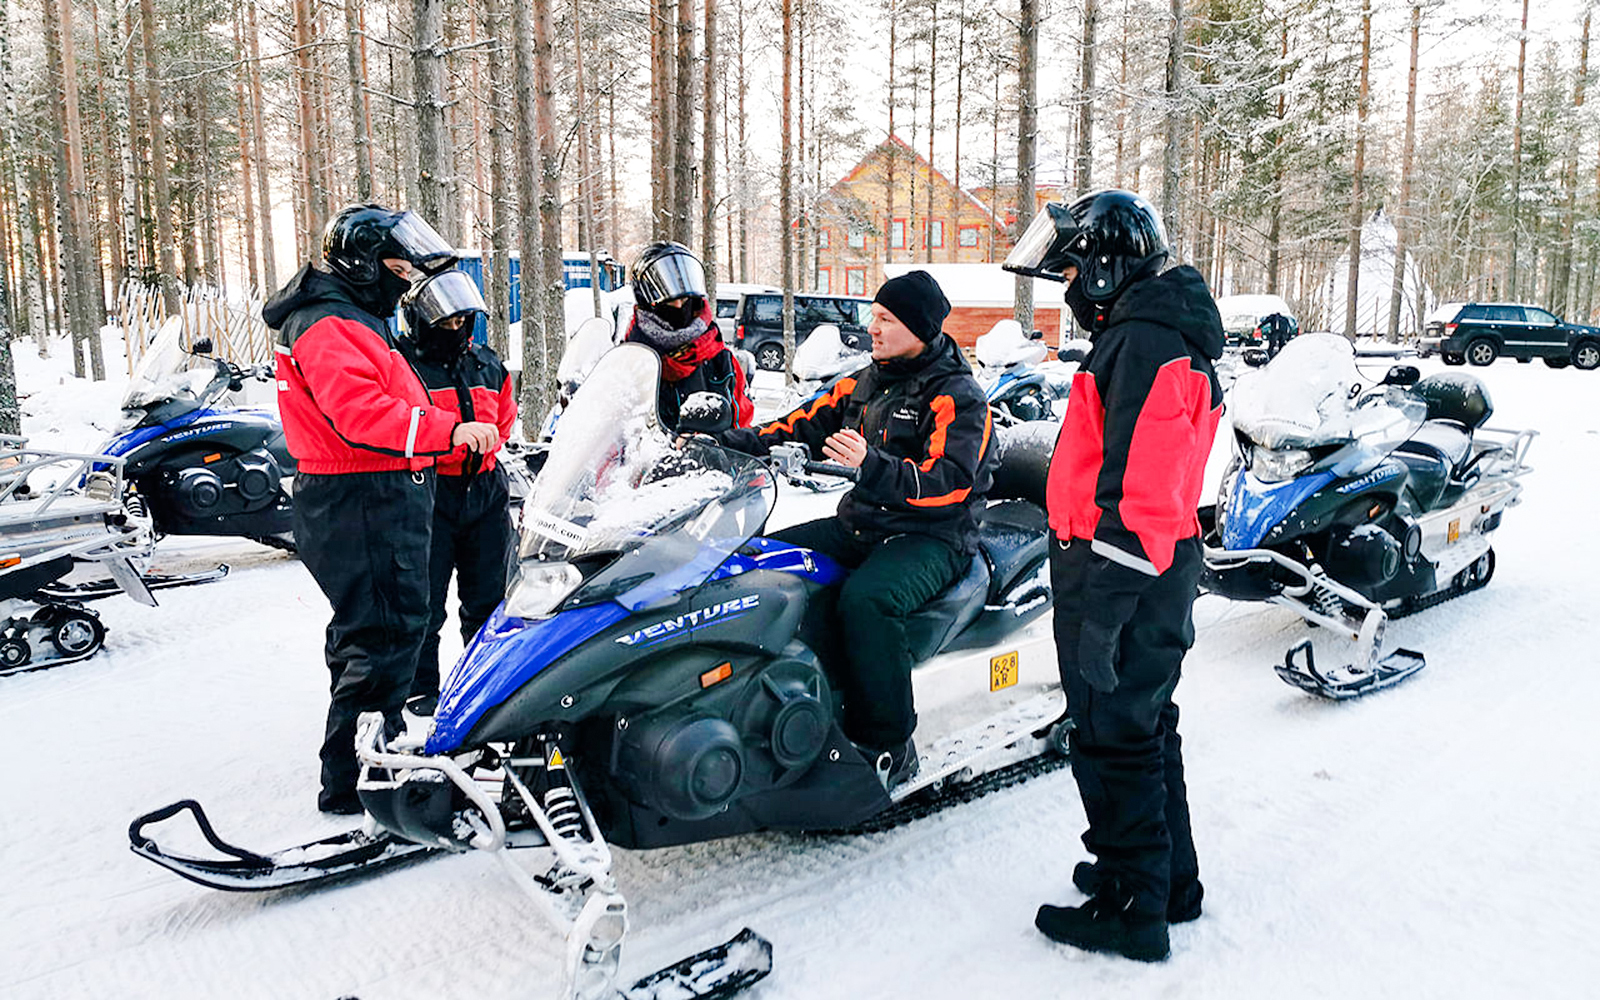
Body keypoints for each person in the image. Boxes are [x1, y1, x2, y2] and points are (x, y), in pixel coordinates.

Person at [1003, 189, 1224, 961]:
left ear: (1104, 269)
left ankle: (1135, 910)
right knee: (1144, 723)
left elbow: (1144, 487)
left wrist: (1103, 610)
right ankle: (1167, 883)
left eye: (1071, 270)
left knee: (1110, 735)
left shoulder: (1147, 343)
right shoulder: (1154, 332)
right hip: (1142, 565)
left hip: (1121, 569)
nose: (1067, 288)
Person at [263, 204, 501, 816]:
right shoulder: (331, 324)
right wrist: (446, 432)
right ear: (365, 266)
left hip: (373, 490)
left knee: (380, 631)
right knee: (382, 637)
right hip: (362, 492)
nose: (403, 284)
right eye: (396, 271)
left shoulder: (349, 318)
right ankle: (355, 786)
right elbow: (361, 412)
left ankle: (370, 763)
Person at [719, 270, 995, 790]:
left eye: (886, 318)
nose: (873, 327)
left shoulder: (957, 396)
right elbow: (798, 423)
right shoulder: (864, 381)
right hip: (864, 521)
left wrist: (873, 467)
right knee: (758, 558)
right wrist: (725, 444)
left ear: (918, 328)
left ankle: (890, 741)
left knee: (867, 601)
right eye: (874, 315)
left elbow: (953, 484)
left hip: (933, 536)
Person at [395, 269, 518, 717]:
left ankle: (484, 683)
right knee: (423, 601)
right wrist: (449, 442)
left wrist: (482, 445)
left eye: (461, 320)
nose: (455, 329)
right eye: (445, 322)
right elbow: (400, 424)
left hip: (484, 490)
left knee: (488, 600)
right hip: (429, 491)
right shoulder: (403, 366)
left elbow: (503, 419)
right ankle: (419, 691)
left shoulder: (486, 363)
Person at [621, 241, 754, 432]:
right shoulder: (630, 359)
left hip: (707, 458)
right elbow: (610, 425)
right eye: (669, 301)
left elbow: (742, 423)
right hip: (644, 459)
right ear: (646, 302)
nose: (678, 307)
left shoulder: (721, 360)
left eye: (684, 300)